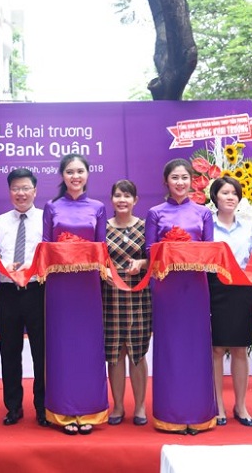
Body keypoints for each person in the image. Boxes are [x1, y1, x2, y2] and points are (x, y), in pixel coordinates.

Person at [145, 158, 215, 435]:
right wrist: (172, 251)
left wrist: (187, 252)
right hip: (167, 288)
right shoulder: (155, 213)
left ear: (192, 181)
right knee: (170, 348)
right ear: (166, 181)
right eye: (175, 177)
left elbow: (209, 250)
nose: (180, 182)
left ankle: (198, 415)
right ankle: (170, 415)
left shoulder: (203, 213)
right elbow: (150, 250)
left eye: (185, 177)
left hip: (195, 287)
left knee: (196, 347)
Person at [42, 153, 108, 436]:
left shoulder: (98, 207)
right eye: (70, 172)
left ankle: (90, 409)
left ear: (87, 174)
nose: (75, 176)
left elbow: (102, 247)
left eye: (80, 171)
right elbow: (45, 246)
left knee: (87, 346)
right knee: (62, 346)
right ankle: (62, 411)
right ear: (62, 176)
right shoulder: (51, 206)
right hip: (60, 286)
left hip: (87, 285)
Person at [0, 168, 48, 427]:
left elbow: (51, 254)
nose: (20, 193)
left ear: (35, 191)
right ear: (9, 191)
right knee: (9, 351)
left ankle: (43, 407)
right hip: (8, 293)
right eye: (16, 188)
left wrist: (31, 268)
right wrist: (6, 268)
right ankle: (13, 407)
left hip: (37, 291)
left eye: (25, 188)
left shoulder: (46, 219)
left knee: (41, 352)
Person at [208, 177, 252, 428]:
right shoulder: (207, 226)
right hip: (215, 288)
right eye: (225, 192)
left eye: (234, 193)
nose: (230, 197)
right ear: (215, 197)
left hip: (242, 289)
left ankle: (240, 406)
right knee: (217, 349)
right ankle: (218, 404)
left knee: (240, 348)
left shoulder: (248, 228)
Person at [102, 179, 151, 427]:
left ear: (135, 200)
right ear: (111, 200)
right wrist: (103, 270)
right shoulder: (102, 228)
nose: (122, 200)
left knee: (137, 353)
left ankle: (140, 406)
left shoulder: (145, 226)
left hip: (138, 297)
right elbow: (96, 257)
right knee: (115, 354)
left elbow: (154, 257)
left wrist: (141, 263)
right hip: (110, 298)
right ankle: (118, 406)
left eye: (127, 196)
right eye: (118, 196)